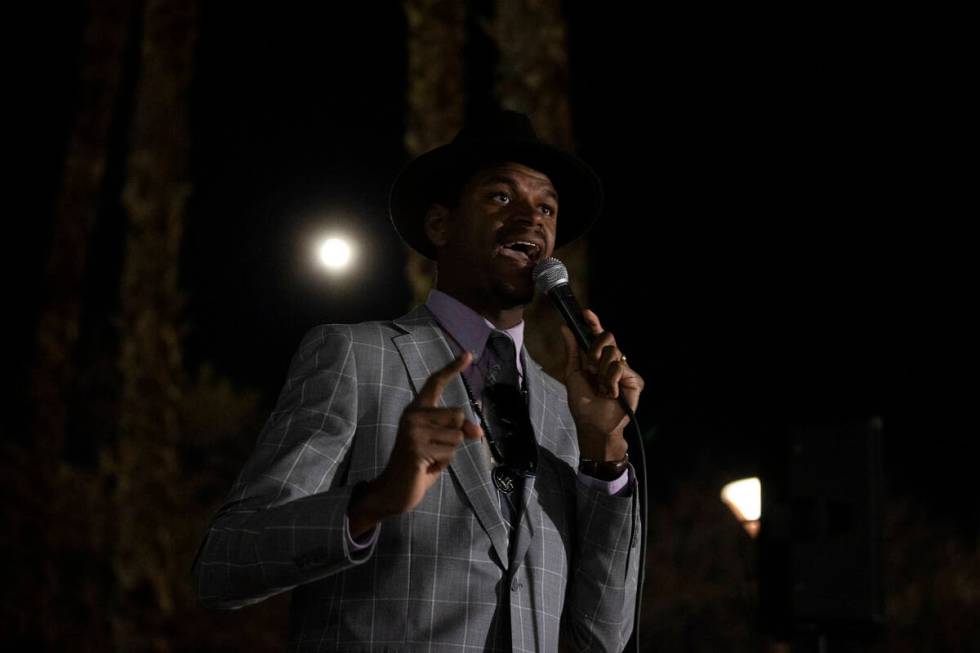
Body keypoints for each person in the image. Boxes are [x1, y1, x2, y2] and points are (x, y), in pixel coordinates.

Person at [192, 110, 644, 653]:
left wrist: (605, 451)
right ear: (440, 225)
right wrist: (374, 501)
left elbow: (602, 636)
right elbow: (222, 564)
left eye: (546, 207)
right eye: (501, 197)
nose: (532, 219)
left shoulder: (565, 409)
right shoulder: (357, 357)